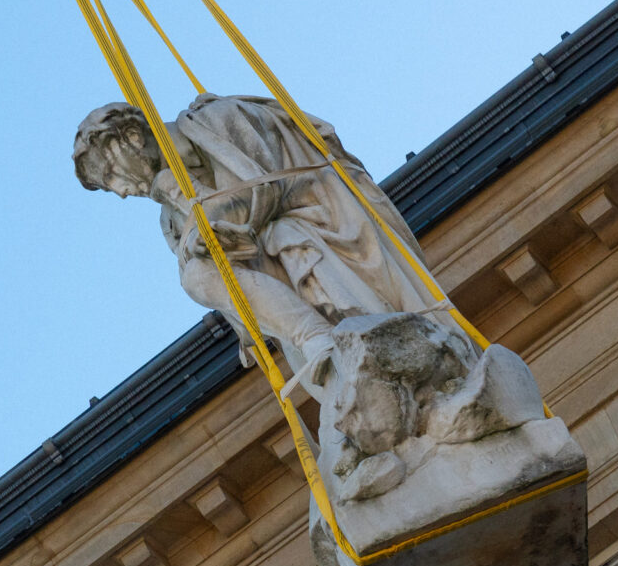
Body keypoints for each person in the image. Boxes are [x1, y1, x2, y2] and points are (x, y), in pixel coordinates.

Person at [73, 95, 441, 374]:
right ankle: (311, 334)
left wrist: (183, 197)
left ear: (133, 137)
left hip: (319, 216)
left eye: (110, 176)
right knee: (196, 276)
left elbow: (260, 189)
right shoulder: (168, 220)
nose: (120, 191)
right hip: (272, 260)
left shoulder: (217, 120)